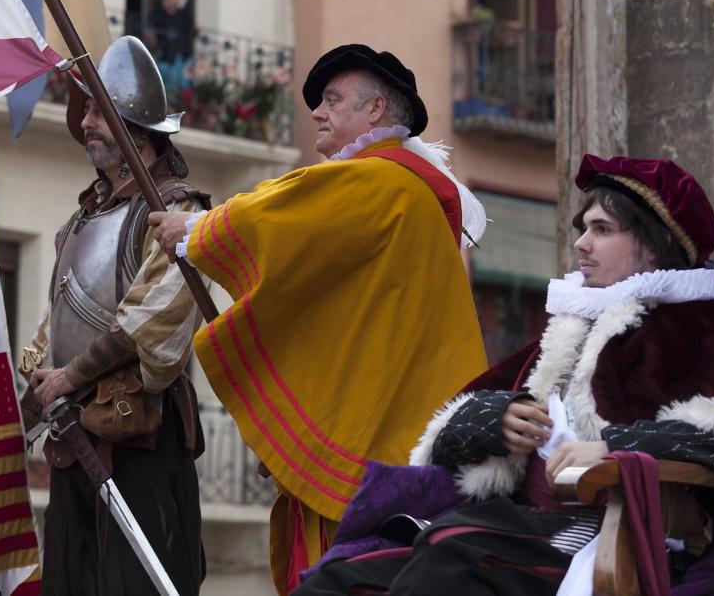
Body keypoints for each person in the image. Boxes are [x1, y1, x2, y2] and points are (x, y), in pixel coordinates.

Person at [296, 154, 714, 596]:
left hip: (618, 531)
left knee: (454, 560)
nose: (581, 243)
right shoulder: (566, 332)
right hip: (517, 522)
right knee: (337, 580)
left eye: (602, 229)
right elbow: (451, 425)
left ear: (656, 245)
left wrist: (617, 448)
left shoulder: (700, 329)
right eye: (583, 228)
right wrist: (494, 421)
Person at [148, 44, 491, 595]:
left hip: (380, 458)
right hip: (403, 444)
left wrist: (199, 232)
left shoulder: (383, 182)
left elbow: (288, 212)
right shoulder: (398, 187)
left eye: (333, 99)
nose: (317, 111)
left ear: (375, 110)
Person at [19, 35, 209, 596]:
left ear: (142, 137)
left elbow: (152, 323)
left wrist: (68, 379)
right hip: (72, 433)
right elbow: (53, 323)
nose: (88, 122)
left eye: (103, 111)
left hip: (139, 439)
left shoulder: (176, 211)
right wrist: (33, 391)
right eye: (90, 110)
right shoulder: (81, 220)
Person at [145, 0, 194, 107]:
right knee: (160, 86)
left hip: (179, 59)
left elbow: (188, 39)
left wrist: (188, 60)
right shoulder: (157, 14)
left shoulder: (185, 17)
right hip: (161, 57)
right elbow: (149, 32)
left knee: (179, 88)